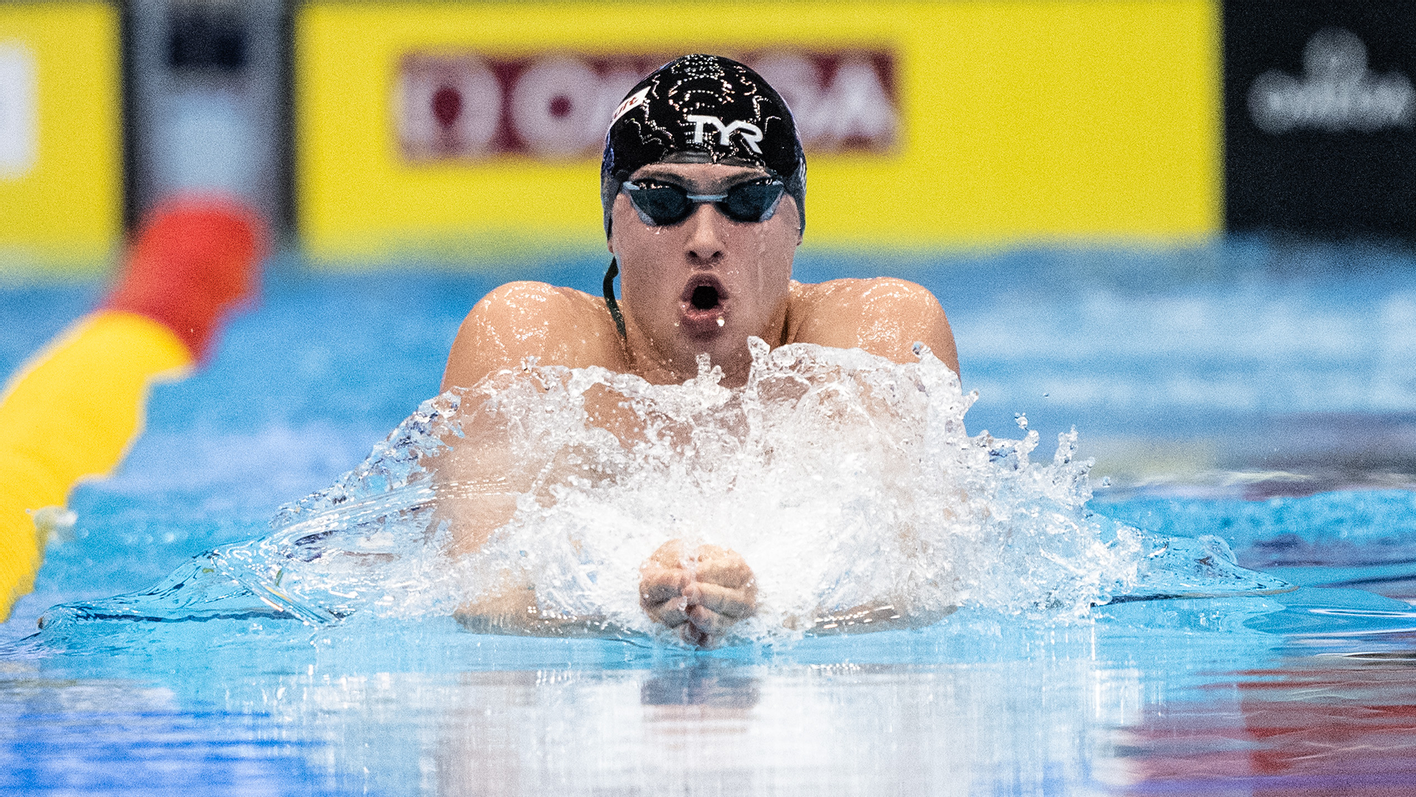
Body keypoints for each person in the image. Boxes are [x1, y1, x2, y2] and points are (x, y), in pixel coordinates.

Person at [439, 54, 958, 646]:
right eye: (663, 200)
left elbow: (924, 597)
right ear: (612, 224)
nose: (706, 241)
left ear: (797, 224)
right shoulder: (527, 346)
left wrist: (769, 611)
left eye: (746, 201)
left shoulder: (877, 341)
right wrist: (628, 614)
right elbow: (483, 605)